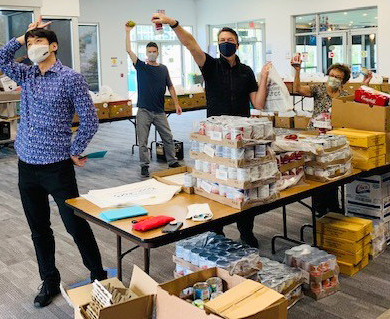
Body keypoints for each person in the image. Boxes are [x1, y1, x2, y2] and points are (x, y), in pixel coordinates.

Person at [0, 19, 106, 308]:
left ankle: (98, 276)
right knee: (39, 229)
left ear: (53, 46)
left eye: (38, 43)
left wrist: (76, 149)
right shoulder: (27, 75)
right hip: (27, 166)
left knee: (75, 226)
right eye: (29, 44)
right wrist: (22, 37)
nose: (33, 48)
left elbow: (90, 120)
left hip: (57, 166)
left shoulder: (70, 78)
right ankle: (49, 280)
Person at [150, 12, 271, 247]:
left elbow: (257, 104)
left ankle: (246, 231)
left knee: (243, 184)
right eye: (221, 40)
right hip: (215, 139)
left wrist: (264, 77)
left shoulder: (246, 71)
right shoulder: (211, 66)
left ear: (237, 44)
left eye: (229, 40)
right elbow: (190, 44)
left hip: (241, 138)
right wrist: (174, 23)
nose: (225, 43)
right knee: (216, 185)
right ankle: (217, 231)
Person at [292, 55, 354, 215]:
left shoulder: (344, 96)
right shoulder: (319, 89)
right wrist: (297, 71)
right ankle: (319, 208)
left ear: (344, 81)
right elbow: (298, 89)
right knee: (318, 169)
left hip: (334, 137)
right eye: (331, 76)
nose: (333, 79)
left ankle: (333, 206)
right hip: (316, 135)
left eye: (338, 77)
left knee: (332, 170)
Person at [126, 23, 183, 177]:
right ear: (146, 53)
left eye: (154, 51)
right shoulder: (141, 67)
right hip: (144, 110)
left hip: (159, 111)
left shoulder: (163, 69)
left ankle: (172, 161)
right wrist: (127, 32)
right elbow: (128, 50)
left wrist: (177, 104)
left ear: (158, 53)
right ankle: (144, 166)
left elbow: (170, 87)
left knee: (168, 137)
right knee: (143, 141)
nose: (151, 53)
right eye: (149, 51)